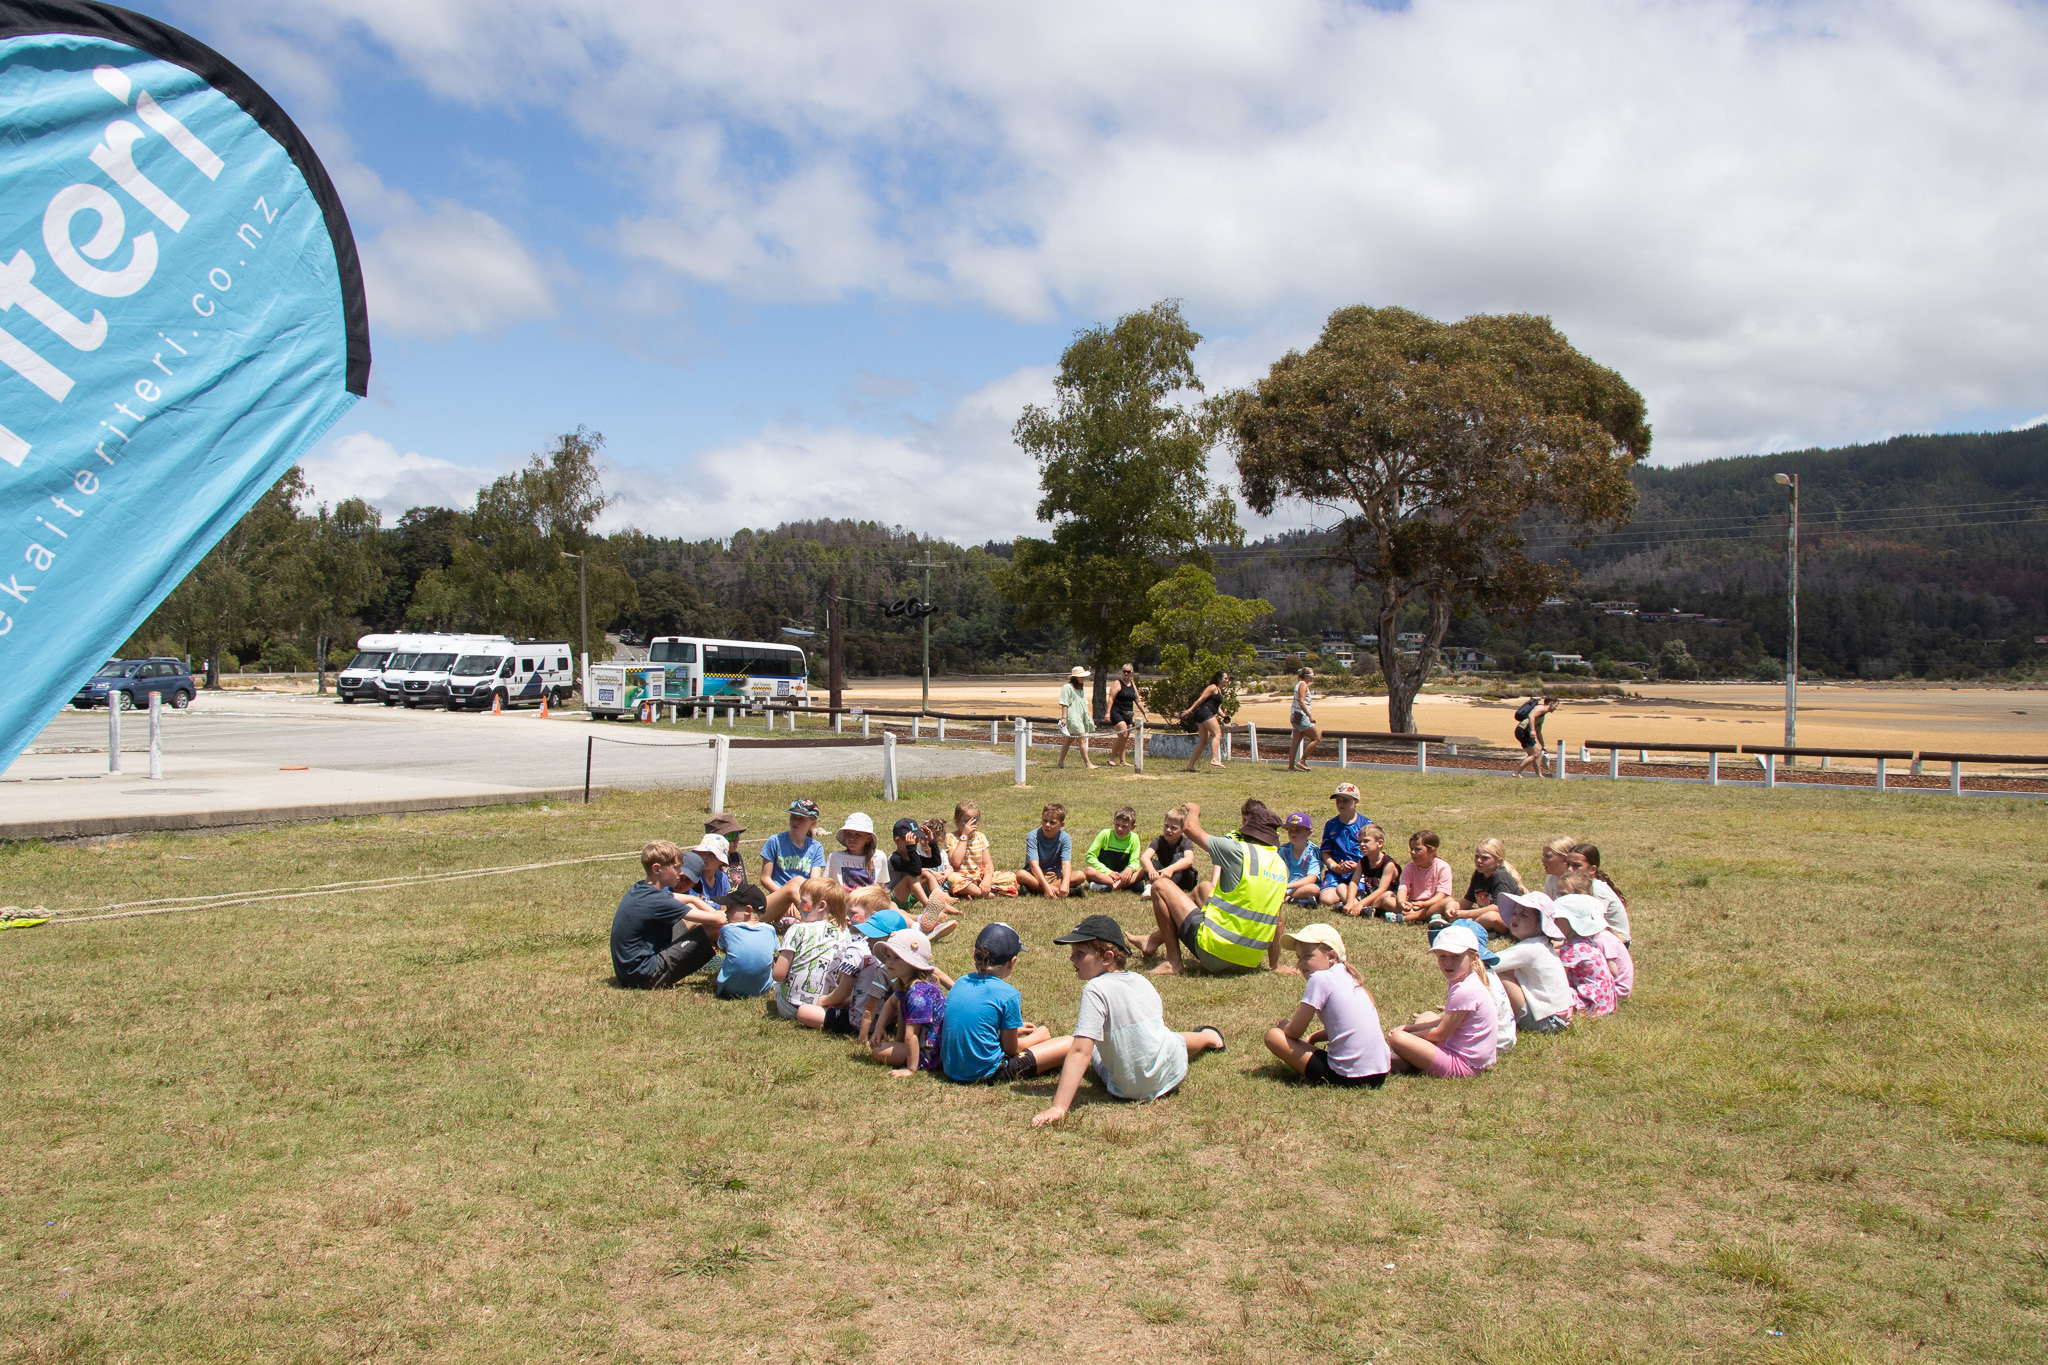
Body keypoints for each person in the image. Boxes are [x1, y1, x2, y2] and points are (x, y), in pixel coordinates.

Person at [1029, 915, 1227, 1126]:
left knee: (1085, 1044)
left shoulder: (1095, 989)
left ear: (1107, 957)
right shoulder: (1141, 980)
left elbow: (1081, 1052)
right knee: (1169, 1039)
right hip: (1170, 1075)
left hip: (1127, 1088)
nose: (1072, 959)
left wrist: (1058, 1107)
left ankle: (1207, 1036)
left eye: (1080, 953)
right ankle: (1209, 1037)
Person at [1134, 799, 1290, 977]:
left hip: (1216, 952)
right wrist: (1275, 965)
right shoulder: (1281, 867)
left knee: (1160, 886)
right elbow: (1279, 920)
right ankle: (1152, 940)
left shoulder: (1238, 851)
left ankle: (1172, 962)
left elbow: (1191, 829)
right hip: (1249, 959)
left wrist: (1194, 811)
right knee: (1205, 888)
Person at [1263, 923, 1392, 1087]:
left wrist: (1284, 1028)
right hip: (1380, 1073)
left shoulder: (1319, 979)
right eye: (1298, 957)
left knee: (1273, 1036)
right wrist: (1315, 1037)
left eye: (1308, 956)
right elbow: (1345, 1025)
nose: (1301, 963)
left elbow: (1295, 1032)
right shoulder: (1350, 977)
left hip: (1347, 1077)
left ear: (1331, 956)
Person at [940, 923, 1068, 1084]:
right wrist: (1037, 1037)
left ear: (974, 956)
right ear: (1012, 962)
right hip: (988, 1073)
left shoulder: (960, 982)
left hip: (951, 1069)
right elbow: (1011, 1049)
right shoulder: (1009, 994)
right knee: (1069, 1043)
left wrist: (1009, 1031)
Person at [1385, 923, 1499, 1079]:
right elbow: (1445, 1021)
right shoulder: (1465, 979)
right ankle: (1409, 1058)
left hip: (1464, 1065)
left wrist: (1408, 1032)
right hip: (1461, 1051)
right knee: (1427, 1015)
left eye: (1456, 956)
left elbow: (1440, 1034)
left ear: (1474, 958)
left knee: (1398, 1039)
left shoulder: (1464, 990)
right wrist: (1410, 1029)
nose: (1448, 962)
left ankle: (1405, 1059)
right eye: (1442, 956)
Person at [609, 842, 722, 989]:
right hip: (644, 975)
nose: (680, 872)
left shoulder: (641, 889)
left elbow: (689, 900)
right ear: (657, 869)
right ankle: (741, 969)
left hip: (628, 972)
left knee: (691, 913)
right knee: (713, 929)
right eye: (675, 867)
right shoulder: (658, 901)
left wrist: (694, 899)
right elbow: (720, 919)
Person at [1490, 891, 1574, 1034]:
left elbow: (1489, 962)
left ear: (1540, 925)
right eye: (1515, 912)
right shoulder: (1541, 944)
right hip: (1560, 1018)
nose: (1515, 916)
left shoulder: (1530, 948)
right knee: (1506, 970)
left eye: (1524, 915)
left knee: (1491, 972)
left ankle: (1479, 1008)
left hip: (1548, 1022)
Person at [868, 928, 946, 1077]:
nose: (889, 961)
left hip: (930, 1052)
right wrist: (879, 1027)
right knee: (898, 1003)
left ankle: (913, 1062)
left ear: (912, 963)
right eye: (888, 956)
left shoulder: (917, 994)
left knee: (878, 1051)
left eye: (896, 957)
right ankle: (900, 1046)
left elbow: (912, 1035)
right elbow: (891, 1003)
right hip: (923, 1044)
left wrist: (910, 1069)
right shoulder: (906, 985)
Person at [770, 878, 851, 1019]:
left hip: (791, 1007)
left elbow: (779, 974)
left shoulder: (797, 929)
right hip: (825, 1005)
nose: (799, 906)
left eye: (803, 902)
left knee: (776, 982)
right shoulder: (845, 934)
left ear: (821, 906)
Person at [1549, 892, 1618, 1018]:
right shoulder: (1586, 943)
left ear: (1572, 924)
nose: (1554, 923)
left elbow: (1557, 979)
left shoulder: (1572, 949)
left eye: (1558, 920)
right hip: (1605, 1001)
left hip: (1591, 1004)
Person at [1447, 837, 1526, 937]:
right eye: (1477, 856)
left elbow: (1497, 908)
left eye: (1485, 858)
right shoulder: (1479, 873)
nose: (1479, 861)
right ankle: (1464, 925)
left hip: (1510, 921)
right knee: (1448, 902)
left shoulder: (1501, 877)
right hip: (1486, 915)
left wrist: (1466, 914)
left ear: (1498, 861)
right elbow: (1468, 900)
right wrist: (1453, 908)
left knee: (1490, 917)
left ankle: (1461, 928)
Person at [713, 886, 778, 999]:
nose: (726, 912)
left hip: (729, 990)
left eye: (730, 908)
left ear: (748, 910)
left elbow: (720, 945)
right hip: (762, 989)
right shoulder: (770, 930)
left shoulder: (727, 930)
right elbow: (773, 952)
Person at [1317, 783, 1373, 914]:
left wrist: (1358, 866)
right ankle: (1352, 903)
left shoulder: (1366, 825)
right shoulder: (1331, 824)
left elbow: (1373, 853)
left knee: (1361, 893)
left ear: (1356, 802)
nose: (1341, 804)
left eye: (1346, 800)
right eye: (1338, 800)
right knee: (1326, 899)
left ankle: (1348, 903)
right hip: (1336, 871)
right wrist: (1335, 867)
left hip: (1360, 870)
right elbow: (1325, 853)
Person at [1567, 843, 1633, 943]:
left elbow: (1595, 924)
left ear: (1592, 869)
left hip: (1617, 941)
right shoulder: (1577, 887)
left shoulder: (1597, 890)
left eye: (1576, 866)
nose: (1569, 870)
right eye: (1568, 864)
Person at [1018, 802, 1082, 898]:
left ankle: (1035, 890)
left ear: (1061, 824)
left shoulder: (1065, 838)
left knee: (1080, 875)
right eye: (1045, 820)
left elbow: (1066, 864)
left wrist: (1065, 882)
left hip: (1055, 876)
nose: (1047, 825)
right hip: (1035, 875)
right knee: (1021, 874)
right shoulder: (1033, 836)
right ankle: (1056, 890)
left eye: (1052, 822)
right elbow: (1033, 865)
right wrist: (1047, 887)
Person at [945, 800, 1007, 898]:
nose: (971, 825)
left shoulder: (980, 837)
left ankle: (974, 891)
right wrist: (964, 836)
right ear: (956, 819)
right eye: (966, 821)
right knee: (953, 878)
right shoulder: (951, 837)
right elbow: (956, 861)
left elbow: (988, 864)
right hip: (962, 878)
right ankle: (984, 894)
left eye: (975, 821)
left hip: (979, 878)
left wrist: (986, 879)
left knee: (1010, 877)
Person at [760, 799, 826, 889]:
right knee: (796, 883)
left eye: (801, 819)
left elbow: (814, 883)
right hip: (779, 895)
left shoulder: (816, 848)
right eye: (793, 817)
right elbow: (765, 878)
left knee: (800, 881)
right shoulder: (775, 841)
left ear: (813, 823)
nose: (795, 822)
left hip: (802, 897)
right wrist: (785, 895)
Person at [1398, 829, 1456, 929]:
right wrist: (1402, 902)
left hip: (1433, 904)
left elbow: (1441, 895)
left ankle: (1407, 918)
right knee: (1387, 897)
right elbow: (1403, 888)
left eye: (1418, 849)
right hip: (1413, 906)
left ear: (1432, 850)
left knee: (1449, 901)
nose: (1413, 852)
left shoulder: (1443, 867)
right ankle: (1430, 917)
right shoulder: (1409, 867)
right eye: (1411, 849)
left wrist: (1424, 904)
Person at [1139, 804, 1198, 902]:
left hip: (1184, 879)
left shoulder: (1185, 842)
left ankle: (1165, 889)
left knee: (1179, 860)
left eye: (1174, 828)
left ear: (1183, 830)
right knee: (1150, 862)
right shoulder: (1159, 840)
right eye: (1166, 826)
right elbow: (1144, 857)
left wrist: (1170, 869)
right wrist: (1151, 871)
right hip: (1164, 875)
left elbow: (1189, 860)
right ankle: (1149, 888)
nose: (1168, 830)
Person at [886, 816, 946, 911]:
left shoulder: (912, 855)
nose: (914, 846)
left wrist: (932, 842)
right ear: (898, 840)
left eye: (916, 842)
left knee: (927, 874)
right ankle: (931, 908)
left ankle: (943, 905)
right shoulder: (894, 859)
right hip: (894, 900)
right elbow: (916, 870)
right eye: (911, 842)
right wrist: (911, 849)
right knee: (911, 876)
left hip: (909, 897)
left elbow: (935, 862)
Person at [1083, 806, 1146, 892]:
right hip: (1106, 875)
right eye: (1117, 825)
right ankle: (1123, 885)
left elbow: (1135, 861)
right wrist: (1108, 872)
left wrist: (1129, 868)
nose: (1119, 828)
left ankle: (1109, 887)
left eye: (1124, 826)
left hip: (1124, 875)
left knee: (1143, 870)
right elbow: (1090, 856)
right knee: (1088, 871)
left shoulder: (1134, 838)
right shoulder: (1105, 834)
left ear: (1133, 827)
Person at [1178, 670, 1229, 771]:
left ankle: (1190, 765)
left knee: (1203, 741)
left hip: (1204, 713)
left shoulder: (1219, 690)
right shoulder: (1213, 687)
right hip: (1205, 712)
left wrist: (1224, 716)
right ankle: (1214, 759)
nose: (1227, 680)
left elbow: (1216, 706)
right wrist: (1189, 710)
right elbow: (1200, 699)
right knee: (1217, 734)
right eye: (1225, 678)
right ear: (1219, 679)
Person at [1352, 824, 1403, 920]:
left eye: (1366, 841)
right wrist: (1350, 901)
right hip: (1369, 897)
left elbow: (1382, 890)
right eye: (1360, 842)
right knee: (1342, 888)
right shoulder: (1362, 861)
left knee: (1387, 896)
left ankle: (1362, 908)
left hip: (1382, 898)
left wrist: (1360, 903)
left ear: (1379, 843)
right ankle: (1362, 908)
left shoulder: (1388, 864)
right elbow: (1354, 882)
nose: (1362, 844)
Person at [1105, 664, 1147, 767]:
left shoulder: (1132, 684)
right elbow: (1111, 698)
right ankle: (1111, 758)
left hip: (1128, 713)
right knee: (1123, 735)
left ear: (1132, 673)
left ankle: (1122, 760)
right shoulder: (1117, 683)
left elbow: (1138, 700)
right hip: (1117, 712)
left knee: (1125, 737)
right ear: (1121, 672)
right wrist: (1108, 713)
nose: (1126, 673)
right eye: (1124, 671)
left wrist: (1145, 713)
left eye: (1128, 671)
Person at [1278, 811, 1324, 906]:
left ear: (1309, 832)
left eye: (1298, 830)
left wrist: (1286, 887)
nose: (1293, 833)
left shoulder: (1313, 851)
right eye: (1290, 830)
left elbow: (1312, 878)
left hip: (1304, 886)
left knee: (1313, 889)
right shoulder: (1283, 850)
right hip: (1286, 884)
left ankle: (1288, 896)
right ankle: (1295, 899)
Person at [1057, 665, 1097, 770]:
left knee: (1069, 740)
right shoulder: (1067, 687)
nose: (1083, 679)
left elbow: (1084, 703)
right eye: (1081, 677)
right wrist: (1064, 718)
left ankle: (1060, 762)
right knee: (1082, 738)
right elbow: (1064, 703)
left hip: (1080, 716)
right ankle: (1088, 764)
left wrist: (1090, 716)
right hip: (1072, 717)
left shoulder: (1080, 688)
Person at [1512, 692, 1557, 778]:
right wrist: (1532, 730)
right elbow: (1531, 716)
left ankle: (1539, 775)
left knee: (1537, 752)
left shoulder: (1543, 714)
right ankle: (1516, 773)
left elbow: (1539, 731)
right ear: (1551, 703)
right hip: (1523, 730)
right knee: (1533, 754)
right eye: (1555, 705)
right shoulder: (1541, 708)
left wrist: (1543, 745)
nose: (1555, 708)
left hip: (1526, 731)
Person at [1286, 667, 1322, 771]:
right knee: (1316, 738)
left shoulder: (1299, 684)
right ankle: (1302, 761)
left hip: (1295, 715)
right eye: (1311, 676)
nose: (1312, 678)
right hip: (1301, 716)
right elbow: (1302, 702)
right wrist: (1310, 715)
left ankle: (1291, 767)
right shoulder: (1303, 685)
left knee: (1296, 741)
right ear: (1306, 676)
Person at [704, 813, 749, 891]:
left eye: (737, 834)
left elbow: (744, 886)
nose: (736, 840)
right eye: (731, 836)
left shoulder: (735, 856)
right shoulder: (706, 860)